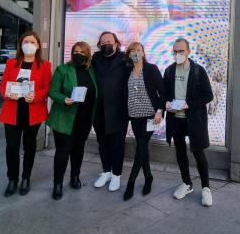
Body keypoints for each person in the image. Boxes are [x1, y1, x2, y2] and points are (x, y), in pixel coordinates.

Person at [0, 31, 52, 197]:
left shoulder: (45, 65)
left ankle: (26, 178)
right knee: (12, 147)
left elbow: (47, 88)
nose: (29, 44)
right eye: (26, 41)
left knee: (29, 146)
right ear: (21, 44)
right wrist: (8, 93)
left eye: (33, 42)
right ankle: (12, 179)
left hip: (33, 112)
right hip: (12, 112)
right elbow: (3, 86)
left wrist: (35, 96)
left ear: (37, 46)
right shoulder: (11, 63)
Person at [163, 38, 214, 207]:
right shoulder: (169, 71)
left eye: (181, 51)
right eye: (175, 51)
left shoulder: (198, 71)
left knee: (198, 153)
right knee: (180, 153)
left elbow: (208, 96)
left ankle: (206, 188)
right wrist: (166, 104)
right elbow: (164, 94)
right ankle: (187, 183)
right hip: (175, 119)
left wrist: (189, 104)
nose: (178, 54)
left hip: (194, 119)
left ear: (188, 52)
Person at [48, 42, 99, 200]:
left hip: (84, 120)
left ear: (88, 54)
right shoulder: (63, 69)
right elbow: (52, 91)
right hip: (64, 118)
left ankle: (75, 177)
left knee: (78, 150)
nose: (78, 54)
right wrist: (64, 99)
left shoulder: (91, 71)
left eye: (82, 52)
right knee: (63, 152)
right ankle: (57, 184)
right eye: (76, 51)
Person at [123, 42, 164, 201]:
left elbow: (162, 91)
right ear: (128, 54)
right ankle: (148, 177)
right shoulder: (127, 70)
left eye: (138, 50)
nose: (136, 53)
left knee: (140, 145)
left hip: (150, 116)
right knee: (142, 147)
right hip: (134, 115)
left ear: (143, 53)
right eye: (132, 50)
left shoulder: (151, 69)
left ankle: (131, 183)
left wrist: (159, 111)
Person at [92, 31, 129, 192]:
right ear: (100, 44)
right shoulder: (95, 58)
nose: (106, 44)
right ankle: (106, 171)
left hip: (118, 110)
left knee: (117, 145)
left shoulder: (124, 59)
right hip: (99, 110)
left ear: (116, 43)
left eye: (109, 41)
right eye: (103, 42)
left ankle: (116, 175)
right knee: (102, 143)